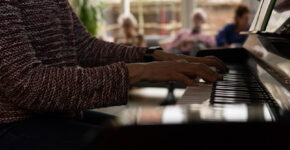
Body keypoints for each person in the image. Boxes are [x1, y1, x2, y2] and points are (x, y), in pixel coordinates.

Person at [0, 1, 228, 149]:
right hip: (13, 124)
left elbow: (86, 47)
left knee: (159, 136)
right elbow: (28, 84)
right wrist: (139, 71)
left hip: (56, 114)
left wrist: (153, 56)